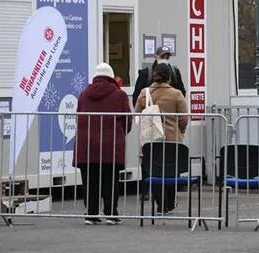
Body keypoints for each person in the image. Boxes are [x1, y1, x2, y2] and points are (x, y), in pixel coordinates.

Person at [73, 63, 132, 225]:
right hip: (110, 145)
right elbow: (127, 120)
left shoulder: (84, 94)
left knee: (90, 181)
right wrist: (120, 133)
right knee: (110, 180)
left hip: (87, 146)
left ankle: (91, 214)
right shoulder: (119, 95)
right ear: (112, 77)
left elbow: (78, 116)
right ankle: (111, 213)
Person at [134, 63, 189, 214]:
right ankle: (170, 203)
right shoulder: (176, 94)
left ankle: (159, 204)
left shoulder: (144, 93)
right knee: (171, 171)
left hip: (151, 141)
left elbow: (137, 112)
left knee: (155, 171)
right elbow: (184, 118)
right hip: (172, 140)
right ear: (169, 77)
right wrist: (180, 131)